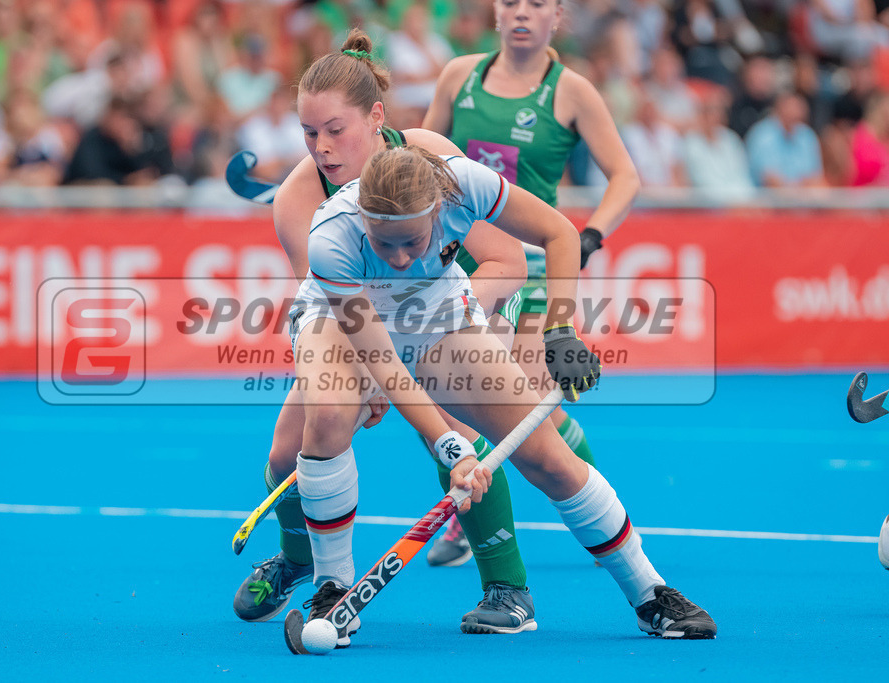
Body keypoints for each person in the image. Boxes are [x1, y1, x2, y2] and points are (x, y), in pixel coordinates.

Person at [291, 143, 716, 645]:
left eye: (413, 242)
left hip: (438, 314)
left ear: (438, 212)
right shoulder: (331, 237)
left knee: (549, 459)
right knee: (327, 414)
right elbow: (385, 363)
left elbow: (558, 232)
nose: (401, 258)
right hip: (337, 321)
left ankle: (650, 594)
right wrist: (453, 448)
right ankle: (334, 588)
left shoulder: (464, 185)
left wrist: (560, 332)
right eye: (386, 246)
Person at [233, 29, 545, 636]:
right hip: (359, 333)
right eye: (308, 133)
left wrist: (430, 337)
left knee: (458, 433)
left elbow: (507, 262)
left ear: (376, 118)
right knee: (288, 451)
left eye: (335, 130)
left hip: (447, 313)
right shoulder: (297, 200)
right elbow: (328, 315)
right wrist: (372, 374)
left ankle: (508, 589)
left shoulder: (423, 153)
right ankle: (302, 562)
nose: (321, 147)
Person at [421, 0, 640, 564]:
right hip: (459, 264)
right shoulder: (458, 76)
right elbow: (413, 162)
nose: (521, 13)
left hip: (535, 267)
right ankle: (494, 514)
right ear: (495, 14)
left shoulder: (572, 91)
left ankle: (590, 504)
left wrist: (590, 234)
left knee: (520, 403)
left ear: (556, 16)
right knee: (469, 405)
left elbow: (625, 176)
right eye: (510, 3)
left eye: (536, 4)